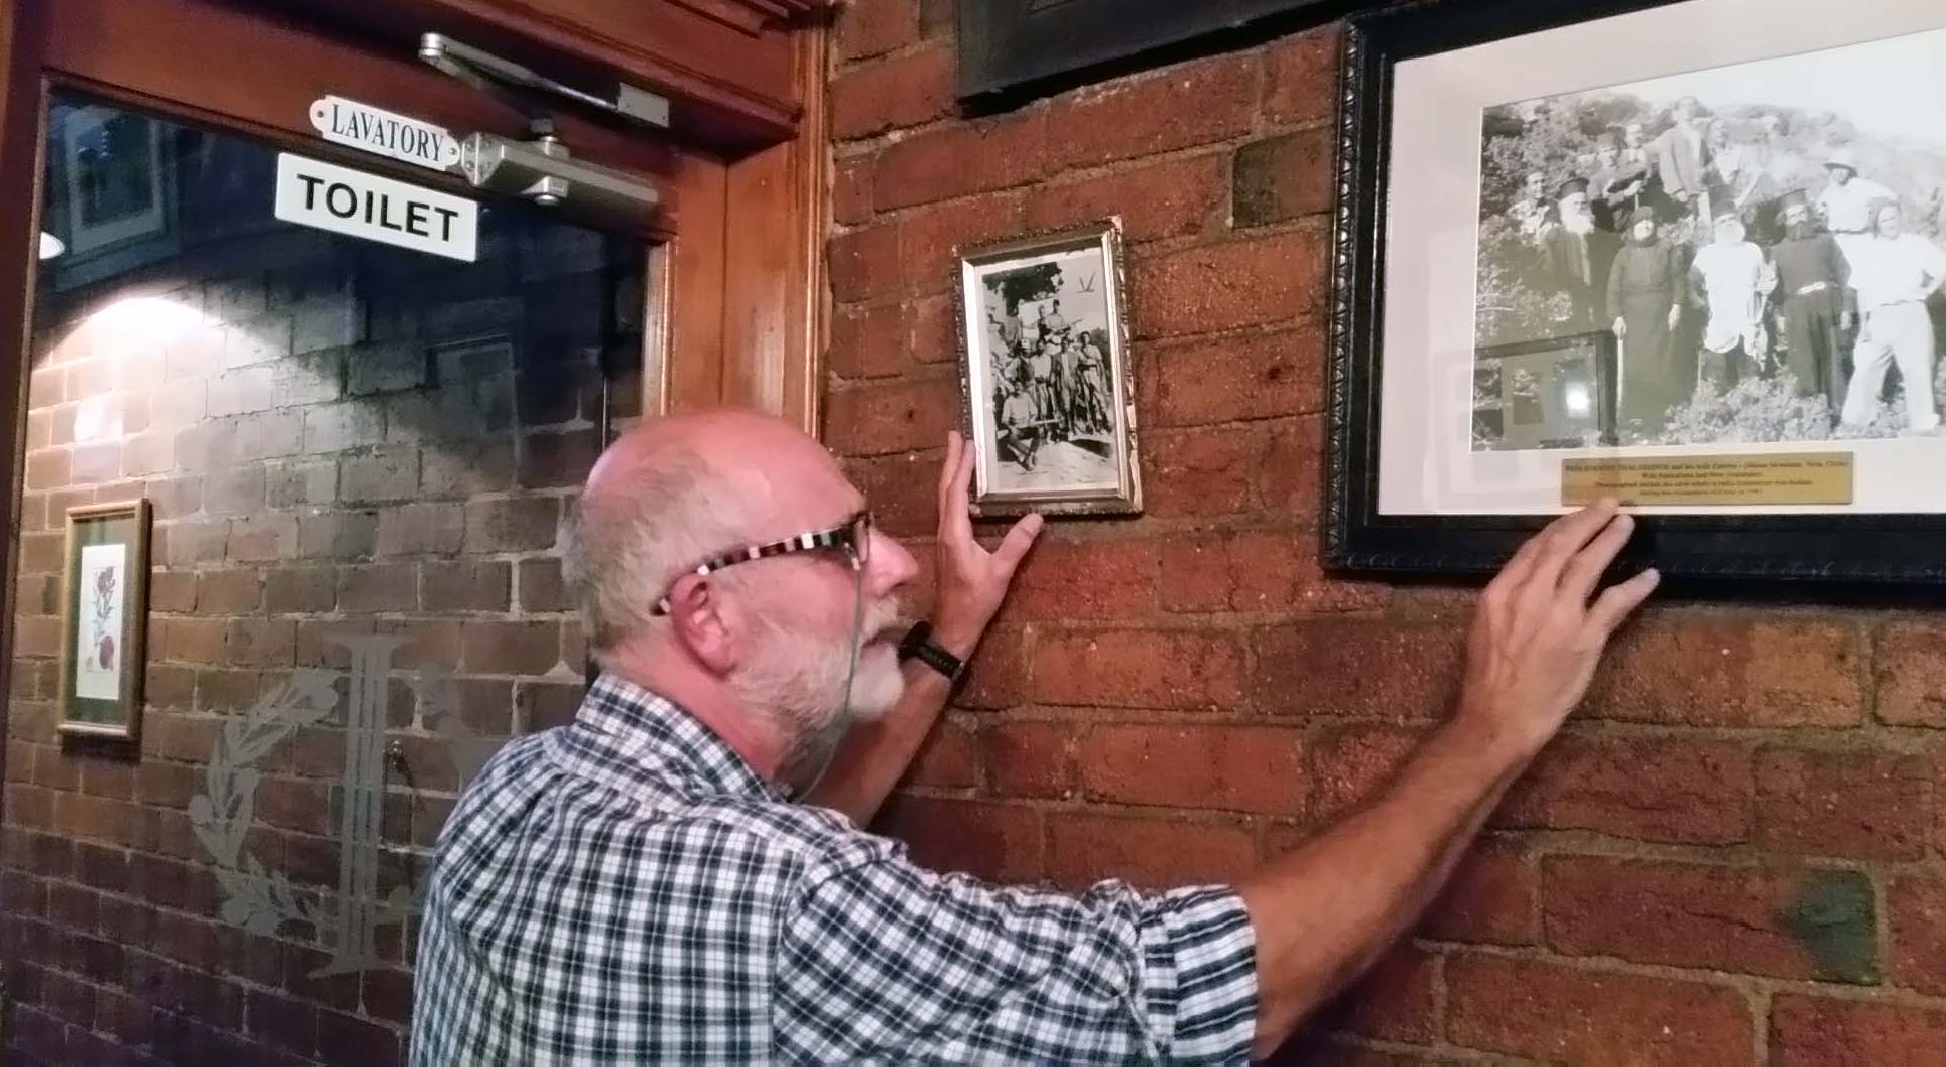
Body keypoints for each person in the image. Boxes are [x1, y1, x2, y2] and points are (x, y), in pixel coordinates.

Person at [410, 411, 1658, 1064]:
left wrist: (941, 636)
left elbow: (764, 884)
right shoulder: (774, 899)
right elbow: (1215, 995)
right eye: (842, 547)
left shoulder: (521, 791)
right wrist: (1488, 728)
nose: (895, 562)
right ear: (706, 616)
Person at [1839, 199, 1946, 435]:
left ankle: (1922, 425)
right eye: (1884, 220)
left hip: (1911, 312)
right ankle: (1853, 423)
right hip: (1879, 315)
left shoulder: (1915, 244)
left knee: (1917, 369)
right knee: (1866, 368)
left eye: (1893, 218)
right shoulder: (1867, 251)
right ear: (1877, 224)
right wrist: (1864, 325)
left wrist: (1930, 289)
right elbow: (1861, 290)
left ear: (1900, 217)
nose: (1890, 224)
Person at [1768, 188, 1854, 418]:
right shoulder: (1777, 251)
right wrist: (1779, 314)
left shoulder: (1827, 241)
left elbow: (1845, 273)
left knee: (1834, 361)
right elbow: (1774, 290)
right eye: (1792, 216)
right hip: (1798, 312)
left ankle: (1840, 413)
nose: (1798, 219)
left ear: (1809, 213)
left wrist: (1847, 307)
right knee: (1804, 363)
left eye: (1801, 213)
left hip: (1829, 305)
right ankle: (1811, 415)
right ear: (1785, 220)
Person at [1607, 207, 1686, 434]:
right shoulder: (1623, 254)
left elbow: (1678, 280)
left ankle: (1658, 414)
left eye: (1650, 221)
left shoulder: (1667, 248)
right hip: (1633, 318)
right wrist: (1616, 316)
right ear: (1633, 228)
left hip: (1661, 315)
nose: (1646, 226)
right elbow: (1613, 288)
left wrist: (1677, 306)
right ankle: (1637, 414)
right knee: (1636, 365)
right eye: (1641, 222)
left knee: (1660, 364)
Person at [1688, 209, 1776, 394]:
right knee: (1720, 375)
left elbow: (1766, 277)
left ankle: (1752, 403)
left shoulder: (1752, 250)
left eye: (1732, 219)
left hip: (1749, 318)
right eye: (1723, 221)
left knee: (1751, 372)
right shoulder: (1706, 254)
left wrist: (1768, 283)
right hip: (1720, 320)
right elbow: (1690, 284)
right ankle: (1720, 405)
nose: (1728, 223)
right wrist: (1701, 306)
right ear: (1715, 227)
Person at [1538, 176, 1618, 332]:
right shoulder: (1555, 233)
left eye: (1583, 203)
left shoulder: (1598, 231)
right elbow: (1548, 267)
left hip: (1598, 290)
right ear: (1566, 207)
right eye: (1575, 204)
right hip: (1572, 290)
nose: (1580, 208)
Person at [1815, 148, 1897, 263]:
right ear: (1831, 170)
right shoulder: (1828, 191)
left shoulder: (1861, 185)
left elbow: (1891, 195)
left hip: (1861, 239)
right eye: (1836, 168)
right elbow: (1819, 210)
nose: (1840, 172)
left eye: (1844, 168)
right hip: (1838, 240)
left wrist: (1878, 217)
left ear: (1849, 170)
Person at [1655, 96, 1714, 227]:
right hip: (1682, 193)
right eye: (1685, 106)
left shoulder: (1699, 136)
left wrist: (1706, 171)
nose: (1689, 109)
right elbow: (1666, 165)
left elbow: (1708, 160)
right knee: (1684, 227)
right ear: (1676, 112)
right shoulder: (1669, 135)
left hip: (1701, 190)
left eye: (1692, 105)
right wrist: (1677, 190)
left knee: (1703, 225)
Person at [1586, 132, 1646, 232]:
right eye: (1605, 151)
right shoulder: (1596, 180)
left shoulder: (1628, 170)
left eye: (1612, 149)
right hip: (1614, 227)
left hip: (1633, 221)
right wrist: (1625, 193)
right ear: (1598, 155)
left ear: (1619, 151)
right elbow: (1596, 207)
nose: (1609, 155)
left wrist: (1639, 184)